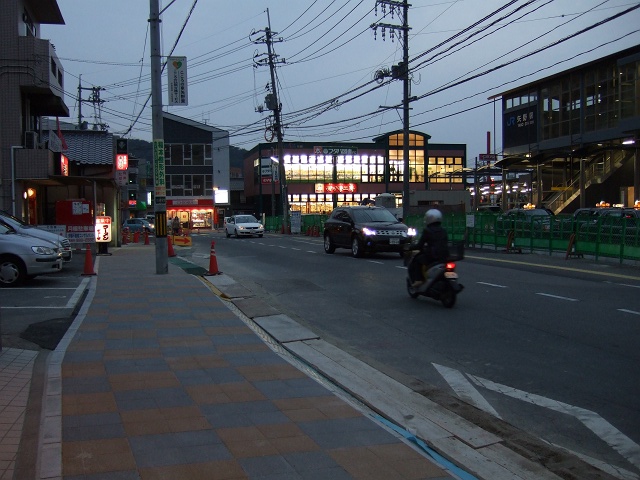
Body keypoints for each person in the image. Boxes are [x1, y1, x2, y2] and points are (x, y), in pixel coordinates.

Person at [409, 209, 450, 287]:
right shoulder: (443, 230)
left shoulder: (427, 230)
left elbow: (420, 245)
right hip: (445, 255)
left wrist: (410, 247)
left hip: (433, 256)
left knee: (417, 260)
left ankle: (418, 280)